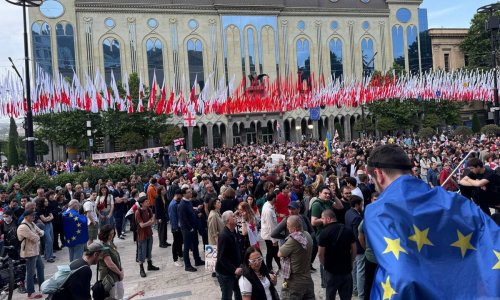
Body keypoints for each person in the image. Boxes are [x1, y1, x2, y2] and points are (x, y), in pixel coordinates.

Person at [364, 144, 500, 299]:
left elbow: (399, 275)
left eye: (373, 180)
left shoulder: (378, 211)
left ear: (378, 174)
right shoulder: (456, 201)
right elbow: (493, 244)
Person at [317, 209, 356, 300]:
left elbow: (320, 253)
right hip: (346, 271)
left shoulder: (324, 233)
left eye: (322, 219)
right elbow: (354, 250)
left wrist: (325, 265)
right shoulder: (348, 230)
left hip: (331, 272)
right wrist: (351, 262)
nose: (322, 221)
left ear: (328, 219)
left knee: (330, 296)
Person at [277, 215, 315, 300]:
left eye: (288, 226)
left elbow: (279, 253)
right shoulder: (307, 235)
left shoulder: (293, 240)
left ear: (294, 228)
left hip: (295, 281)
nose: (287, 228)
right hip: (307, 278)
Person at [17, 208, 45, 299]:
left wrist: (39, 233)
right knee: (30, 273)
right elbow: (35, 237)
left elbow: (41, 232)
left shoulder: (32, 223)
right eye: (32, 215)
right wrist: (38, 234)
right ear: (26, 217)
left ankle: (43, 287)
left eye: (34, 215)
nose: (34, 216)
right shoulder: (23, 227)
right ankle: (30, 292)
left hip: (35, 251)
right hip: (29, 253)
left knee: (41, 268)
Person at [215, 211, 242, 300]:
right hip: (225, 273)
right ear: (227, 221)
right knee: (227, 296)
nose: (235, 217)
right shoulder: (224, 236)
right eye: (233, 216)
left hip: (235, 270)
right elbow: (222, 257)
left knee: (239, 293)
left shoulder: (233, 231)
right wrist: (234, 269)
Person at [177, 187, 204, 272]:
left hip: (193, 227)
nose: (190, 193)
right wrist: (190, 228)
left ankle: (197, 260)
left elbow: (191, 211)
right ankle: (187, 265)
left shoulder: (188, 202)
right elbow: (183, 219)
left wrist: (197, 213)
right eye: (188, 192)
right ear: (184, 194)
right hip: (187, 230)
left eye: (190, 192)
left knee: (195, 244)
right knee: (187, 247)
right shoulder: (182, 204)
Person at [344, 195, 364, 300]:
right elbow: (358, 235)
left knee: (354, 269)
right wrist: (363, 246)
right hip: (358, 247)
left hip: (350, 246)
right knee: (360, 271)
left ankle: (355, 289)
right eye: (361, 204)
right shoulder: (357, 217)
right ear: (357, 204)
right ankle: (361, 294)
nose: (362, 206)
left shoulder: (348, 213)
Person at [135, 195, 160, 277]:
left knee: (149, 251)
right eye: (146, 201)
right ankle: (141, 269)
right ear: (142, 203)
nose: (148, 202)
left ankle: (150, 265)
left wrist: (151, 221)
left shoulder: (148, 209)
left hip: (149, 233)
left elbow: (154, 221)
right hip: (142, 236)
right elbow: (142, 225)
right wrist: (151, 221)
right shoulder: (138, 212)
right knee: (141, 253)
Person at [98, 224, 125, 299]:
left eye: (112, 234)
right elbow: (110, 264)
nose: (111, 236)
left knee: (120, 294)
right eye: (109, 234)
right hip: (109, 278)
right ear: (104, 234)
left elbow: (116, 259)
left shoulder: (110, 243)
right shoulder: (103, 247)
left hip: (116, 275)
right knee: (112, 297)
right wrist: (120, 273)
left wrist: (121, 269)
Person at [260, 192, 280, 272]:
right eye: (276, 197)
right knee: (271, 252)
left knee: (274, 251)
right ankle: (269, 268)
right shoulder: (268, 210)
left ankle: (278, 265)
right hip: (269, 235)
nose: (277, 199)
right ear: (273, 199)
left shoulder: (268, 205)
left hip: (269, 234)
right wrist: (274, 240)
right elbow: (271, 226)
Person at [35, 197, 55, 263]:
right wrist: (48, 218)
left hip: (50, 224)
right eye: (45, 201)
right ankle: (49, 257)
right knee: (48, 240)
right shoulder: (38, 209)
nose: (47, 202)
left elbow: (52, 217)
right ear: (42, 202)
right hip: (44, 226)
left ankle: (49, 254)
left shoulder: (47, 207)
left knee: (51, 239)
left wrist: (48, 218)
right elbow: (43, 219)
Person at [168, 189, 184, 267]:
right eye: (181, 195)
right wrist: (175, 228)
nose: (181, 197)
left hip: (179, 226)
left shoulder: (177, 202)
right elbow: (172, 217)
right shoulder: (173, 204)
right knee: (176, 243)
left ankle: (180, 255)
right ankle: (175, 259)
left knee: (180, 241)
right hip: (176, 228)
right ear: (177, 195)